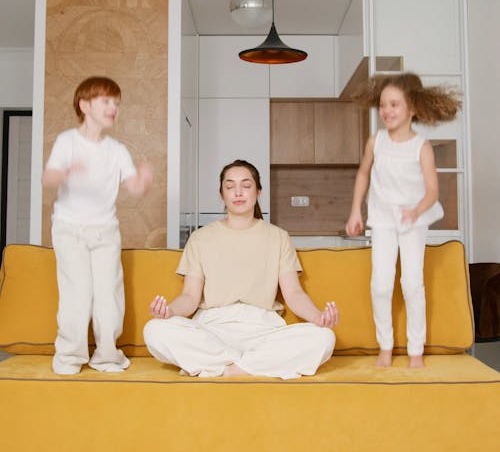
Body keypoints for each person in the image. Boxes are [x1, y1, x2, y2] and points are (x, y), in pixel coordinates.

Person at [144, 159, 339, 379]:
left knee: (324, 337)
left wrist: (318, 317)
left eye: (246, 186)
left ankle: (223, 368)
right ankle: (251, 365)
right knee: (154, 330)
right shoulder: (200, 238)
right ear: (221, 194)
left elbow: (294, 294)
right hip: (212, 330)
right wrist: (168, 312)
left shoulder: (278, 237)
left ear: (258, 192)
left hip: (263, 330)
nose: (238, 192)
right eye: (230, 186)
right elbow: (189, 296)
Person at [346, 72, 461, 368]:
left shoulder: (421, 147)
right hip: (383, 220)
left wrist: (415, 211)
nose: (387, 111)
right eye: (383, 105)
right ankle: (385, 346)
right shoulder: (377, 141)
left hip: (414, 220)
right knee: (380, 285)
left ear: (412, 108)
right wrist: (356, 210)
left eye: (394, 104)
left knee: (411, 284)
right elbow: (363, 174)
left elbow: (433, 191)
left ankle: (415, 350)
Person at [42, 76, 153, 375]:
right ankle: (68, 357)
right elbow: (48, 179)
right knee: (77, 294)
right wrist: (65, 171)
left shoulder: (117, 149)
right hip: (69, 229)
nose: (113, 107)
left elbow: (133, 187)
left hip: (105, 231)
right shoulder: (67, 142)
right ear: (85, 105)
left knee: (108, 295)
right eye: (106, 101)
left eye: (116, 102)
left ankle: (107, 356)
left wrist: (142, 181)